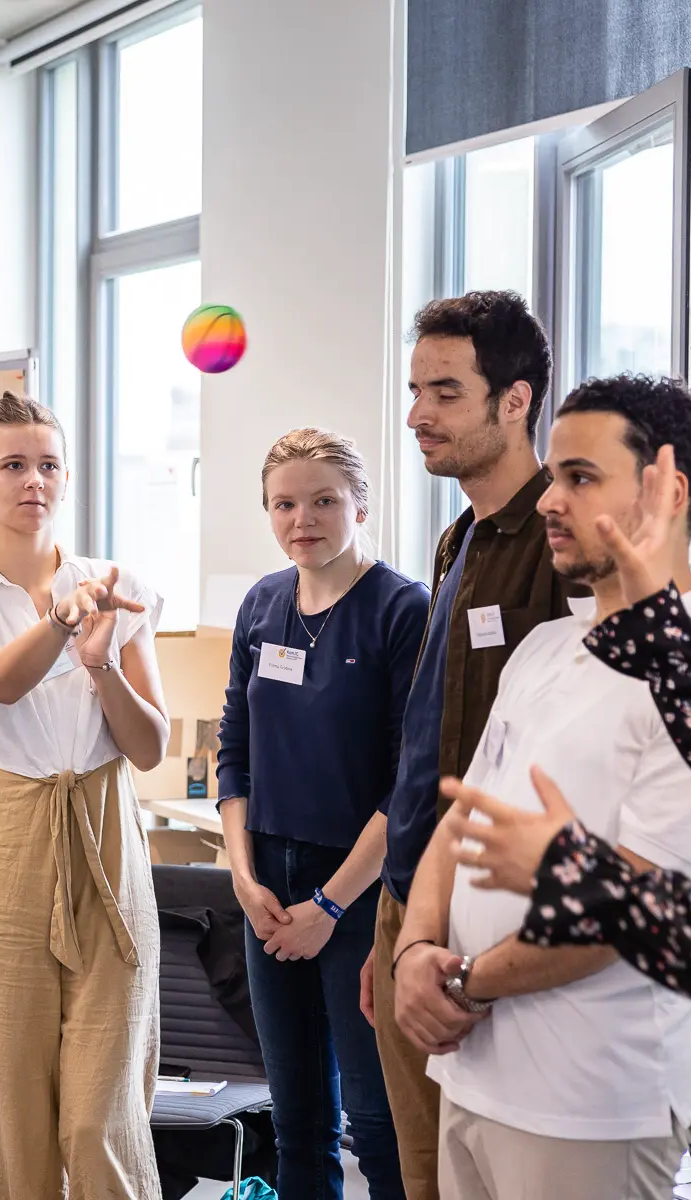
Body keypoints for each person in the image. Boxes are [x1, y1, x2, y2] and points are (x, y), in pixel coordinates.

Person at [393, 375, 691, 1200]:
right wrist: (414, 949)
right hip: (473, 1079)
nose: (546, 501)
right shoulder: (546, 647)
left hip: (597, 1101)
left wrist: (459, 983)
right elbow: (461, 815)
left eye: (579, 477)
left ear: (666, 490)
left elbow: (639, 900)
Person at [0, 391, 169, 1199]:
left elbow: (150, 747)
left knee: (99, 1117)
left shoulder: (116, 588)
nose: (33, 481)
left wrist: (99, 662)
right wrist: (58, 624)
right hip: (9, 838)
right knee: (16, 1109)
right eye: (12, 465)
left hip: (106, 833)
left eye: (48, 464)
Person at [365, 290, 583, 1198]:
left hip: (496, 919)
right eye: (414, 390)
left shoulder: (560, 545)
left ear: (514, 400)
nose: (418, 414)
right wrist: (394, 922)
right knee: (426, 1172)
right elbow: (430, 741)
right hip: (414, 897)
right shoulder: (458, 536)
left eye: (445, 392)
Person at [217, 429, 426, 1198]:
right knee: (295, 1122)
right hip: (267, 883)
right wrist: (241, 878)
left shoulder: (401, 608)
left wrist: (332, 903)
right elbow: (232, 747)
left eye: (323, 501)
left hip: (360, 889)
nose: (302, 518)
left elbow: (410, 779)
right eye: (284, 504)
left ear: (360, 504)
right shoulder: (262, 602)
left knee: (375, 1125)